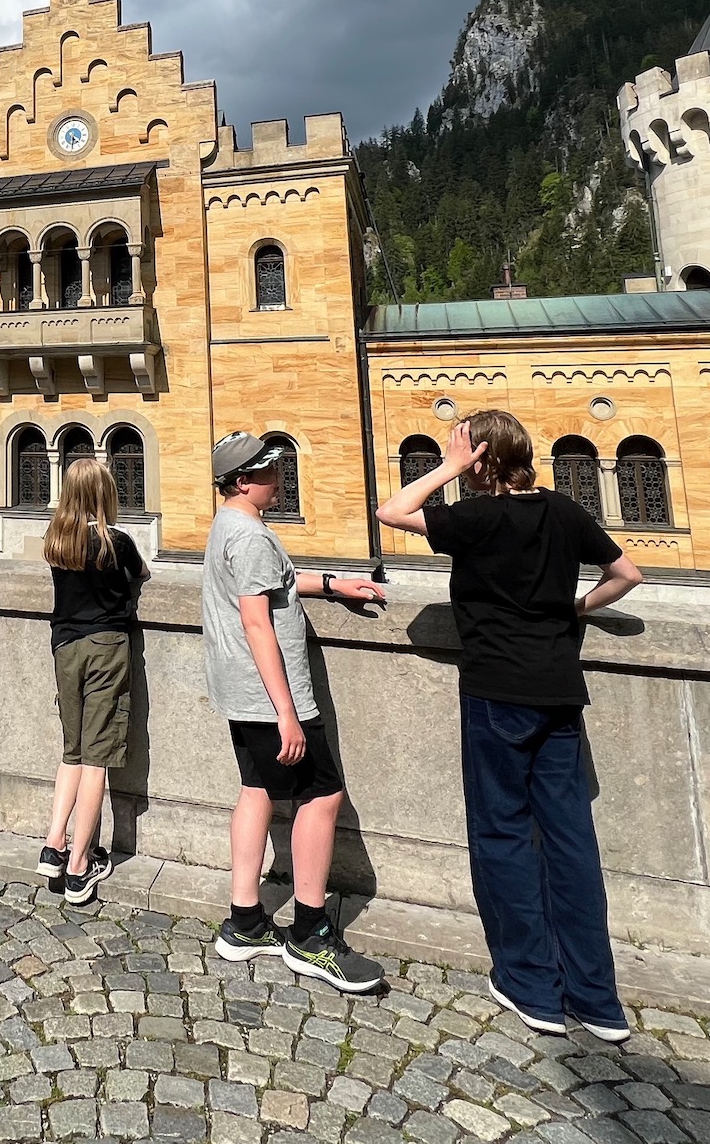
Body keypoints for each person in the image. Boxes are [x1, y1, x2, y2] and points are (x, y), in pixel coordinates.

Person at [376, 411, 643, 1044]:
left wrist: (449, 467)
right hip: (559, 692)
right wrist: (576, 606)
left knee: (501, 835)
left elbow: (393, 512)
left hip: (497, 692)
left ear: (481, 459)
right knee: (571, 841)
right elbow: (628, 574)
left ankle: (531, 987)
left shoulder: (478, 518)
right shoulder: (563, 512)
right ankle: (596, 999)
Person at [202, 431, 388, 993]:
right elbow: (258, 622)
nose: (279, 479)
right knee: (321, 795)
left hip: (238, 689)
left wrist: (332, 584)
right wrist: (287, 712)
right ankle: (310, 935)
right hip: (268, 695)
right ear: (242, 481)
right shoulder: (251, 536)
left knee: (258, 787)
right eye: (270, 472)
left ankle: (245, 922)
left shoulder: (231, 527)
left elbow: (277, 585)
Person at [36, 457, 148, 906]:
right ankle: (80, 867)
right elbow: (142, 575)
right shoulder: (115, 542)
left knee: (72, 751)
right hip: (106, 647)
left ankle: (53, 842)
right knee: (97, 757)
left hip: (65, 647)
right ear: (106, 495)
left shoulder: (56, 540)